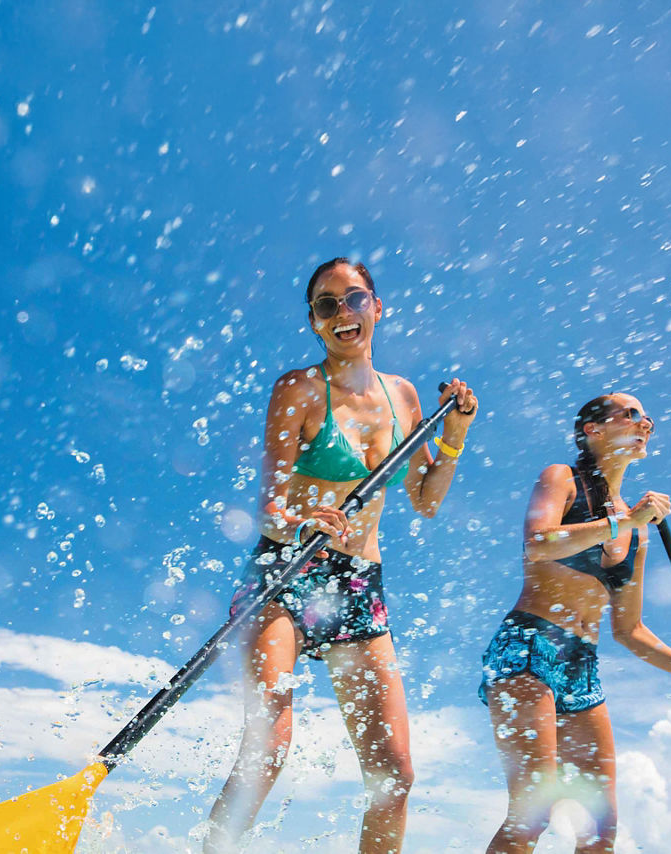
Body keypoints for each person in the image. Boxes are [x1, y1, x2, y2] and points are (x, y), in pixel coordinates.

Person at [204, 258, 478, 853]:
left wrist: (452, 436)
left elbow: (426, 500)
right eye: (326, 305)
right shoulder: (298, 389)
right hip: (285, 573)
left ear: (376, 307)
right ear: (314, 322)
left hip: (358, 583)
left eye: (353, 299)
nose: (342, 314)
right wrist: (302, 522)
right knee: (268, 751)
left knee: (395, 778)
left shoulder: (404, 396)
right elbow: (270, 508)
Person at [478, 394, 671, 853]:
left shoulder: (637, 531)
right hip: (528, 648)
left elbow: (629, 630)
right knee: (533, 812)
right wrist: (621, 522)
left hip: (582, 667)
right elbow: (538, 543)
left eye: (649, 419)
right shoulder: (563, 479)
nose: (646, 425)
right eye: (633, 414)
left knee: (600, 833)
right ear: (592, 430)